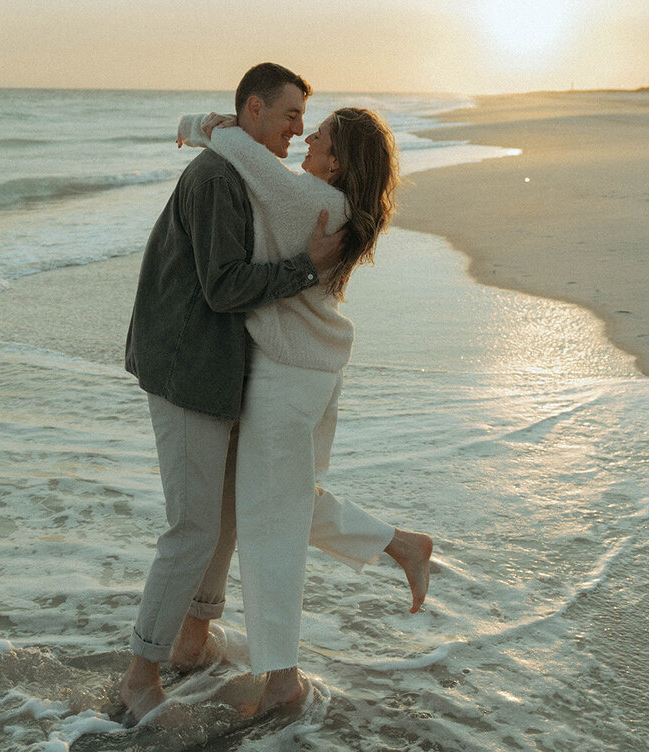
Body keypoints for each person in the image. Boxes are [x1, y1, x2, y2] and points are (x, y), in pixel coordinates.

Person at [176, 105, 433, 713]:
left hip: (289, 375)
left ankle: (282, 680)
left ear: (336, 162)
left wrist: (196, 124)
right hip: (311, 371)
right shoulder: (329, 204)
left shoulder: (311, 200)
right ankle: (401, 545)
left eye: (320, 135)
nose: (307, 136)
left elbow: (247, 157)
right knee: (281, 502)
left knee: (268, 524)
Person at [120, 63, 345, 720]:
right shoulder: (220, 177)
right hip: (187, 369)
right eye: (289, 116)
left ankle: (191, 644)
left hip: (216, 371)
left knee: (221, 518)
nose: (298, 131)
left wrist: (200, 126)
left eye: (307, 120)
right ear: (251, 111)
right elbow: (223, 287)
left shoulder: (242, 166)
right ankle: (141, 677)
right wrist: (310, 265)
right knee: (192, 528)